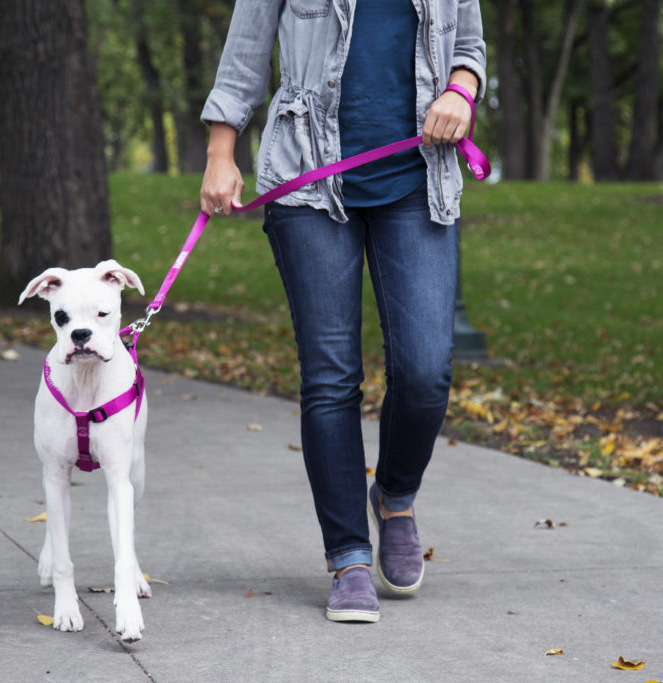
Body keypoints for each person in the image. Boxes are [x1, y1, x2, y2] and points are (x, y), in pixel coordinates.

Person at [199, 0, 486, 623]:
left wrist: (461, 92)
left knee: (426, 369)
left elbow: (468, 47)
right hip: (308, 176)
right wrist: (222, 152)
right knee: (330, 377)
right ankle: (349, 558)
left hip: (418, 177)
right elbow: (245, 50)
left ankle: (396, 496)